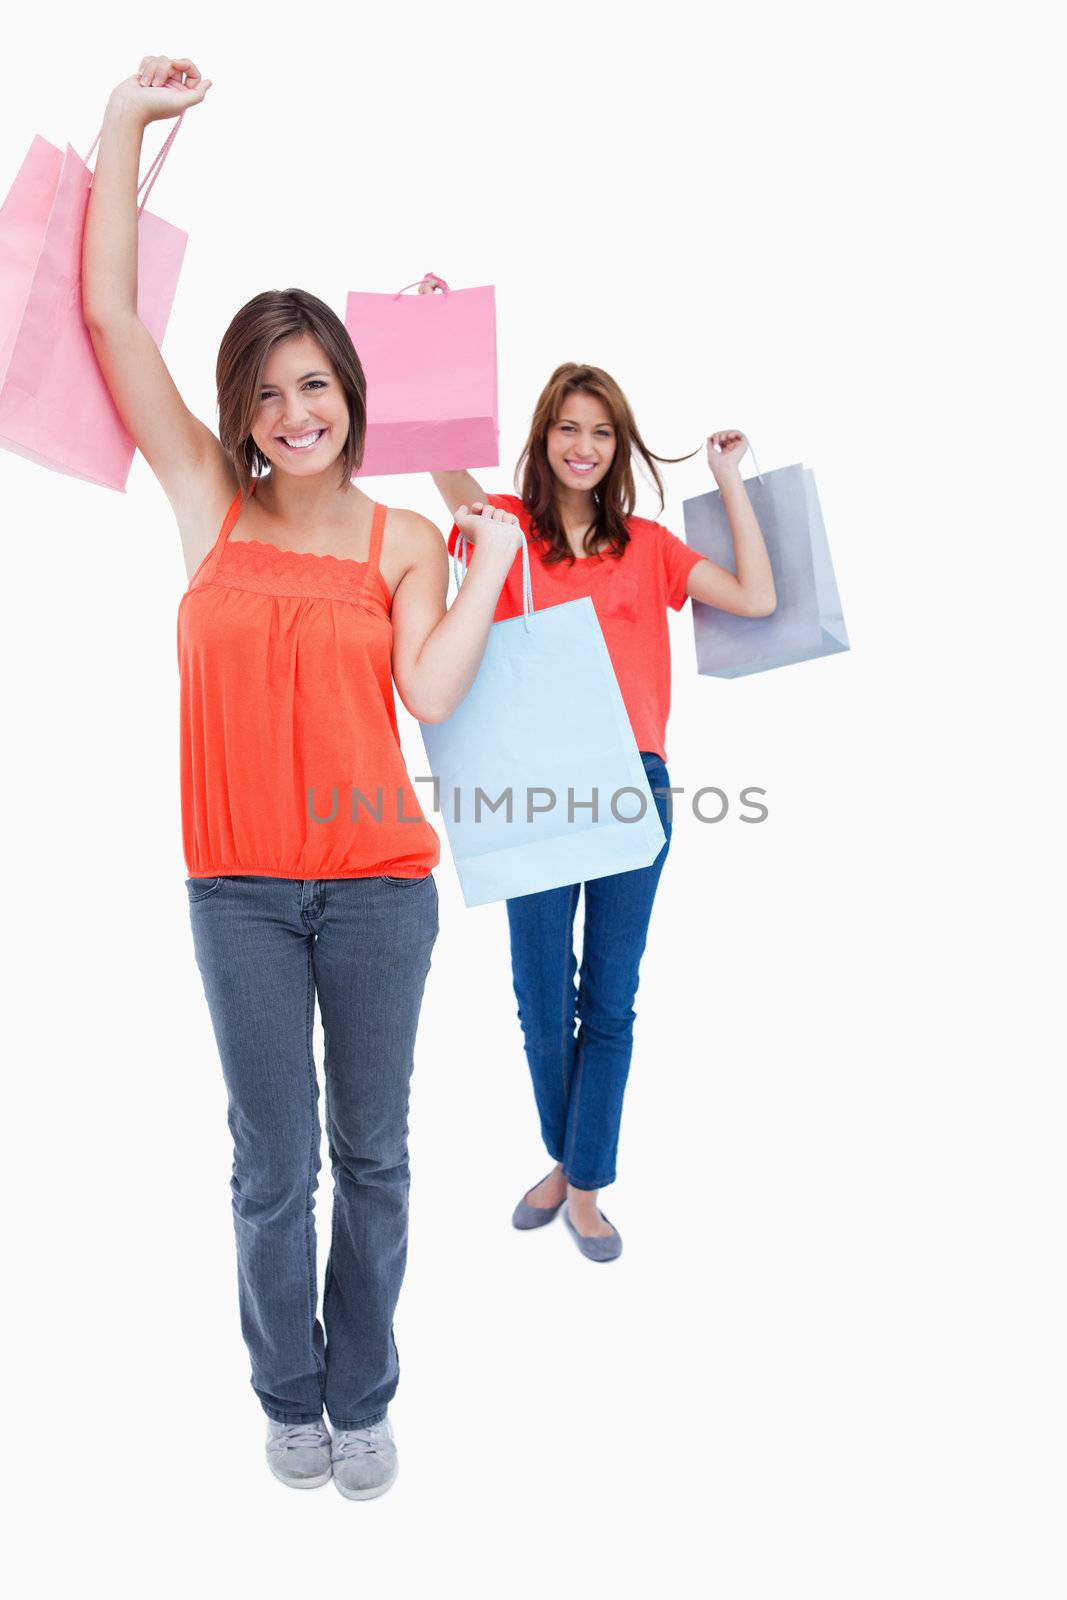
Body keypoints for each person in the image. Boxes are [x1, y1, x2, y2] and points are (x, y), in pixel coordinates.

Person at [82, 55, 522, 1498]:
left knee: (374, 1159)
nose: (291, 412)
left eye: (314, 384)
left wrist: (490, 557)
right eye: (265, 392)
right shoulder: (208, 499)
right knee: (273, 1172)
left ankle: (365, 1385)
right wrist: (129, 124)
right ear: (242, 408)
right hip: (243, 897)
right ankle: (289, 1389)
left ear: (351, 392)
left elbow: (434, 687)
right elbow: (104, 316)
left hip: (382, 891)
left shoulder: (399, 537)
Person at [431, 360, 776, 1262]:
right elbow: (443, 466)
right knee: (538, 999)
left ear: (616, 447)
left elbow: (756, 598)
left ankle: (581, 1183)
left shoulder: (649, 545)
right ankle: (569, 1157)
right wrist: (431, 338)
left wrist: (728, 479)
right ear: (542, 439)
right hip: (533, 786)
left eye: (600, 432)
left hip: (636, 785)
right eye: (567, 429)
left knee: (607, 1001)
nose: (582, 447)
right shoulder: (503, 530)